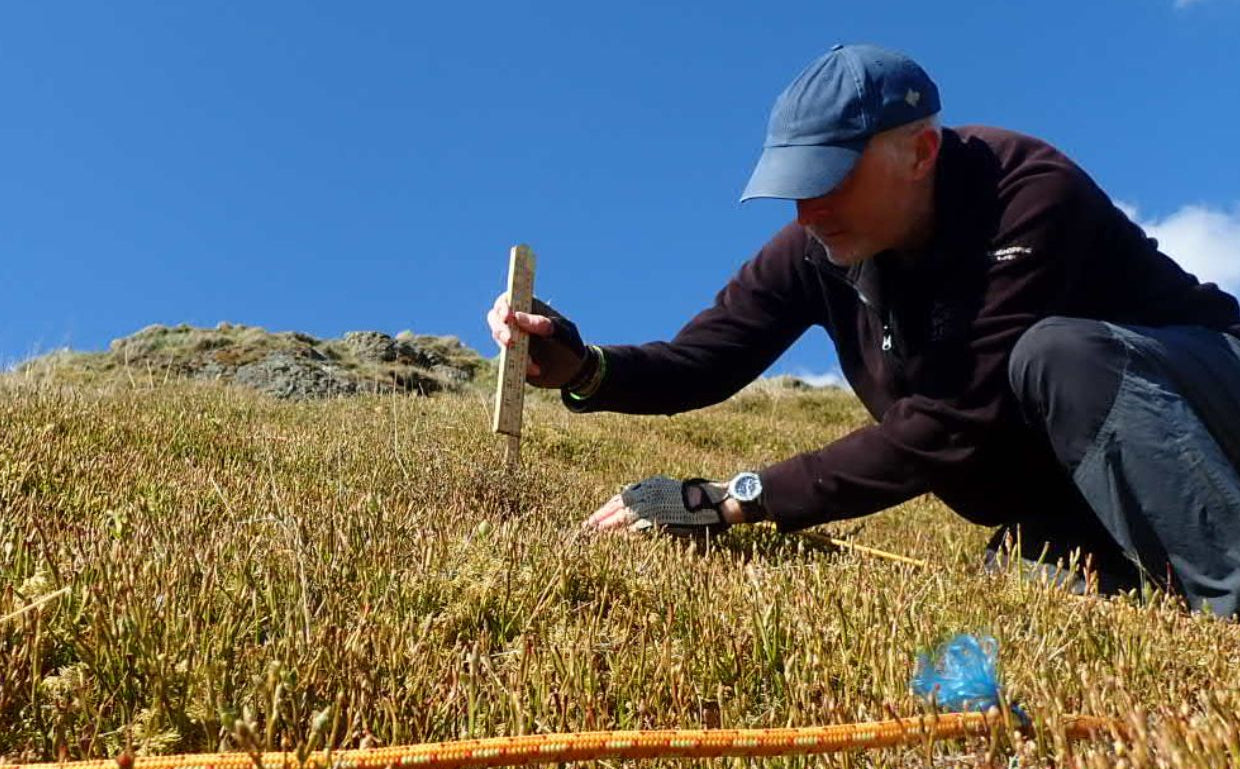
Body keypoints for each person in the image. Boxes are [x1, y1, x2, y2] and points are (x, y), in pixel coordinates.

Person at [486, 44, 1240, 617]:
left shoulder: (1028, 195)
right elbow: (703, 359)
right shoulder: (821, 243)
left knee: (1059, 355)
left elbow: (950, 420)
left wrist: (729, 499)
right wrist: (582, 368)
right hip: (1073, 489)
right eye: (793, 187)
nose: (807, 210)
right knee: (1012, 605)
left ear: (920, 153)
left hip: (1213, 410)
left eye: (829, 178)